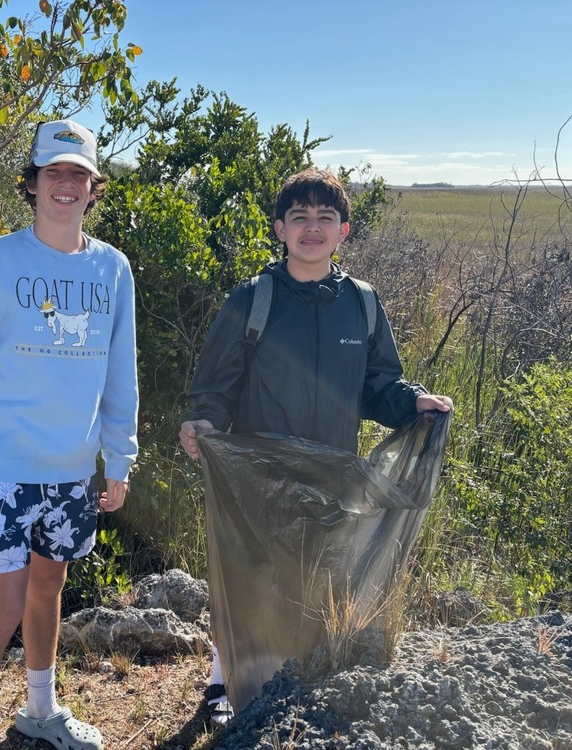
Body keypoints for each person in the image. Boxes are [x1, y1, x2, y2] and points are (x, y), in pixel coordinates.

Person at [179, 168, 452, 727]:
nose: (312, 227)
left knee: (316, 581)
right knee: (249, 576)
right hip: (258, 474)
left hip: (334, 474)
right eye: (299, 217)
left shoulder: (364, 305)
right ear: (279, 228)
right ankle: (223, 684)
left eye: (325, 217)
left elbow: (379, 385)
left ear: (344, 230)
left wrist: (415, 402)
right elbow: (215, 384)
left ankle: (292, 687)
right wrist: (203, 423)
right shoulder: (253, 299)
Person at [0, 119, 138, 750]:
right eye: (55, 172)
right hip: (0, 470)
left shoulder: (113, 269)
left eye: (78, 173)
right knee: (3, 607)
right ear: (33, 183)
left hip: (72, 472)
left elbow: (119, 372)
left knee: (50, 591)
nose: (66, 185)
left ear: (94, 186)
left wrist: (119, 458)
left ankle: (40, 712)